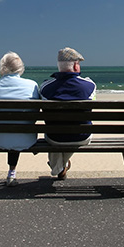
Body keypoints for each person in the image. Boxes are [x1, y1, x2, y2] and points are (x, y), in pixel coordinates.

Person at [0, 51, 40, 187]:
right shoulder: (32, 86)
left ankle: (12, 172)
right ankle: (12, 172)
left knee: (8, 128)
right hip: (27, 139)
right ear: (21, 68)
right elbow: (36, 112)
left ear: (2, 67)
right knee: (18, 129)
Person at [39, 47, 96, 179]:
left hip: (54, 137)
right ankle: (61, 166)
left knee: (57, 133)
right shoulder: (90, 86)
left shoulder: (45, 87)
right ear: (76, 66)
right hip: (82, 137)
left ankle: (59, 166)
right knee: (74, 129)